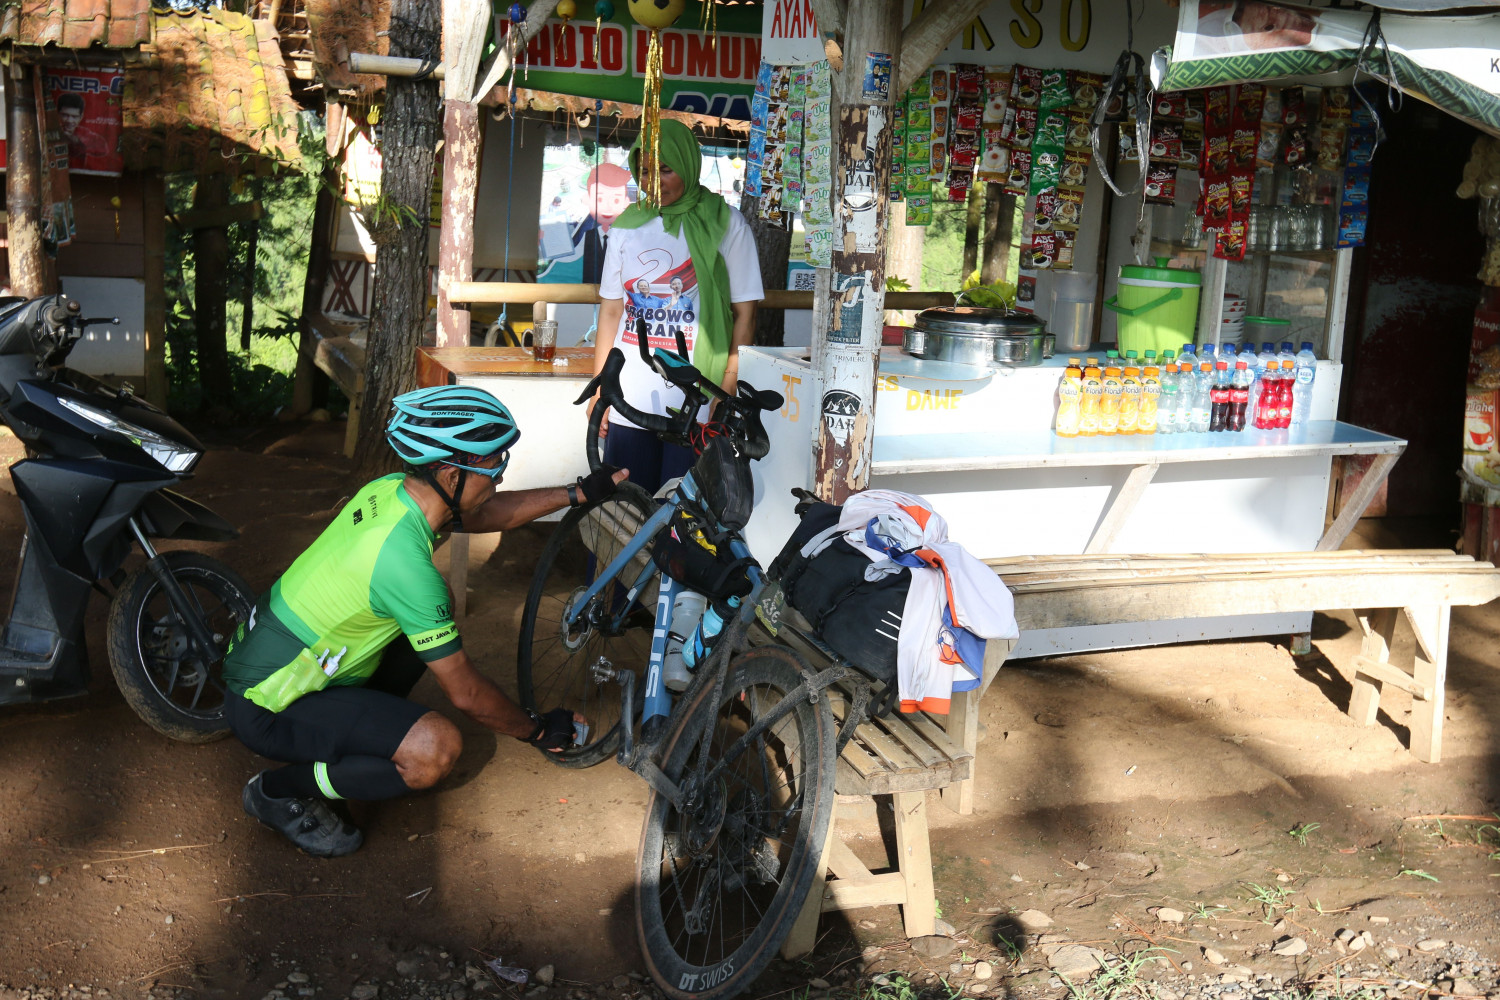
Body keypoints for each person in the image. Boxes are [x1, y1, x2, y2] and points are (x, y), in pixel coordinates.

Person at [224, 385, 625, 858]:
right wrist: (536, 729)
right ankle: (279, 790)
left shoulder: (392, 492)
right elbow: (467, 695)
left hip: (272, 662)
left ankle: (355, 725)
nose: (500, 475)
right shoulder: (405, 568)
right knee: (434, 750)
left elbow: (485, 513)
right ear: (451, 475)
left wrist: (576, 493)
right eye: (493, 465)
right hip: (268, 705)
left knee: (440, 603)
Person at [591, 119, 764, 492]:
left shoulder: (726, 224)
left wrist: (726, 389)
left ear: (687, 163)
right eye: (645, 171)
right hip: (629, 396)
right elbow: (611, 312)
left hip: (697, 401)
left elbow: (745, 315)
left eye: (666, 170)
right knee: (624, 508)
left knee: (682, 513)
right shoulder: (625, 226)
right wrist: (600, 388)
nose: (654, 182)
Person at [56, 93, 111, 169]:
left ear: (81, 117)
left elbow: (103, 148)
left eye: (74, 116)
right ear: (57, 114)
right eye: (65, 115)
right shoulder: (49, 130)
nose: (69, 120)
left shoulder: (83, 133)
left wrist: (76, 141)